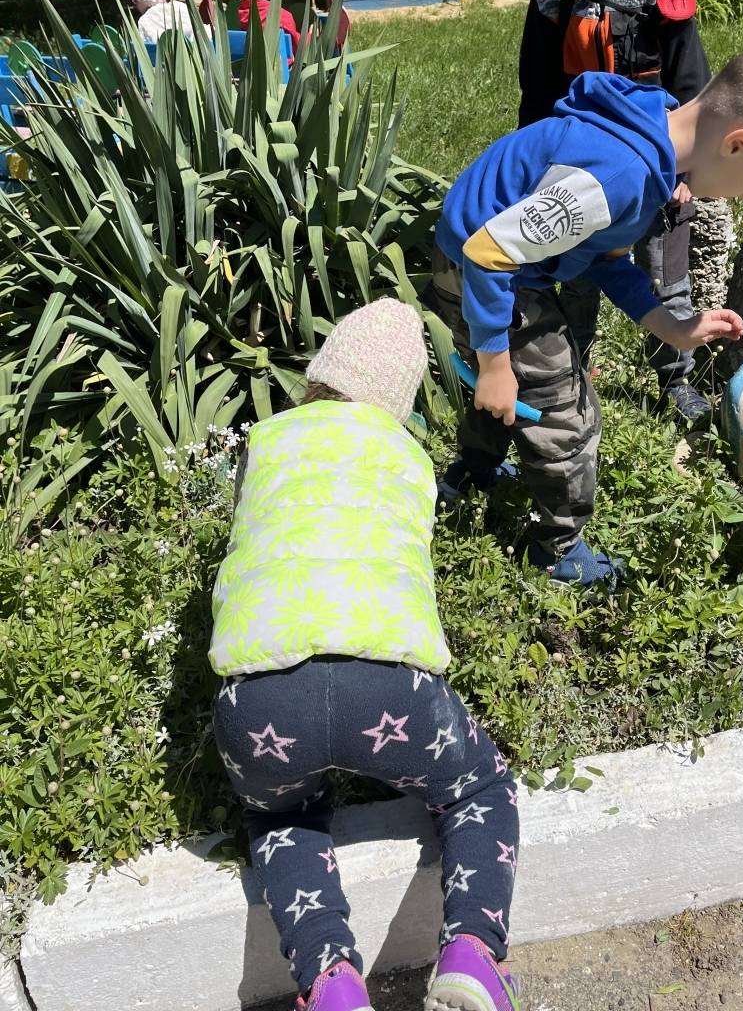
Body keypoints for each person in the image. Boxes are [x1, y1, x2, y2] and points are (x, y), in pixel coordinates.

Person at [211, 299, 521, 1011]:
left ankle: (330, 982)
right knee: (478, 791)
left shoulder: (266, 438)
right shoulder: (408, 460)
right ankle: (474, 951)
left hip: (260, 700)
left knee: (282, 820)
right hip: (392, 689)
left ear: (318, 376)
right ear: (402, 403)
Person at [430, 47, 743, 585]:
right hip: (483, 276)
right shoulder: (618, 174)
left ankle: (472, 473)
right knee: (567, 415)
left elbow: (605, 255)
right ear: (740, 145)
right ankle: (556, 553)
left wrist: (667, 325)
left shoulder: (649, 135)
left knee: (532, 386)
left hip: (496, 267)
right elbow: (490, 254)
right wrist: (494, 362)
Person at [519, 0, 713, 423]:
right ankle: (571, 364)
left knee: (663, 269)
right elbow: (538, 85)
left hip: (658, 155)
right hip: (583, 158)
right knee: (578, 266)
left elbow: (689, 71)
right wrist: (536, 155)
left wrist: (691, 164)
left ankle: (674, 374)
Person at [236, 0, 300, 54]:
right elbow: (296, 48)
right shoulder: (282, 16)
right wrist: (311, 37)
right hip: (281, 66)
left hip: (248, 66)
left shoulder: (241, 13)